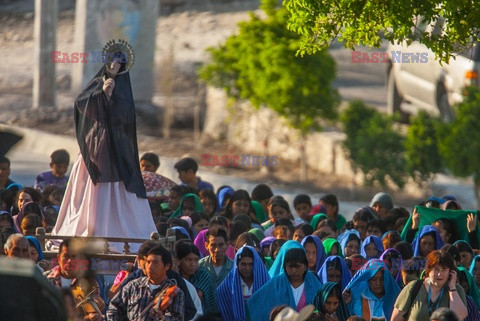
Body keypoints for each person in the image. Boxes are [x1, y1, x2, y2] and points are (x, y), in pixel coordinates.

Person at [51, 45, 156, 250]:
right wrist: (102, 94)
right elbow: (82, 103)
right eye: (113, 62)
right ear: (107, 63)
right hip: (97, 145)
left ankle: (119, 233)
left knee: (119, 193)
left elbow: (127, 115)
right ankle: (91, 228)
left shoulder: (124, 90)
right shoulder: (97, 83)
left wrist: (112, 97)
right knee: (93, 191)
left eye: (119, 63)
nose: (115, 65)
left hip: (118, 147)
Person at [107, 245, 185, 321]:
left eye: (156, 263)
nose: (150, 267)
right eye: (148, 262)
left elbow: (177, 318)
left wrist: (163, 318)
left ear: (167, 266)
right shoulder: (133, 286)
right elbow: (114, 308)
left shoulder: (175, 293)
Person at [248, 248, 322, 321]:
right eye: (290, 266)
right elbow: (254, 304)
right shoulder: (275, 283)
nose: (294, 270)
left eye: (297, 266)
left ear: (305, 267)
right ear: (285, 267)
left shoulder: (314, 283)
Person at [391, 250, 467, 321]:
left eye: (444, 270)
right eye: (436, 269)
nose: (439, 274)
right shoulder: (414, 287)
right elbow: (395, 319)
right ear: (428, 270)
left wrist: (452, 288)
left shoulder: (457, 290)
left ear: (450, 272)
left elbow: (459, 316)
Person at [44, 238, 105, 321]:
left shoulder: (89, 282)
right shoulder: (47, 280)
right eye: (66, 256)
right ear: (58, 258)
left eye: (74, 257)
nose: (70, 261)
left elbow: (93, 310)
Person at [217, 246, 270, 321]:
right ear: (236, 264)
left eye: (251, 264)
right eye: (243, 264)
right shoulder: (226, 287)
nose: (247, 268)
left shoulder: (266, 283)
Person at [175, 239, 217, 315]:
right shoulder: (175, 278)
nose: (193, 264)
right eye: (188, 260)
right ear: (179, 261)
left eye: (196, 260)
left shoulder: (202, 275)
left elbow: (196, 297)